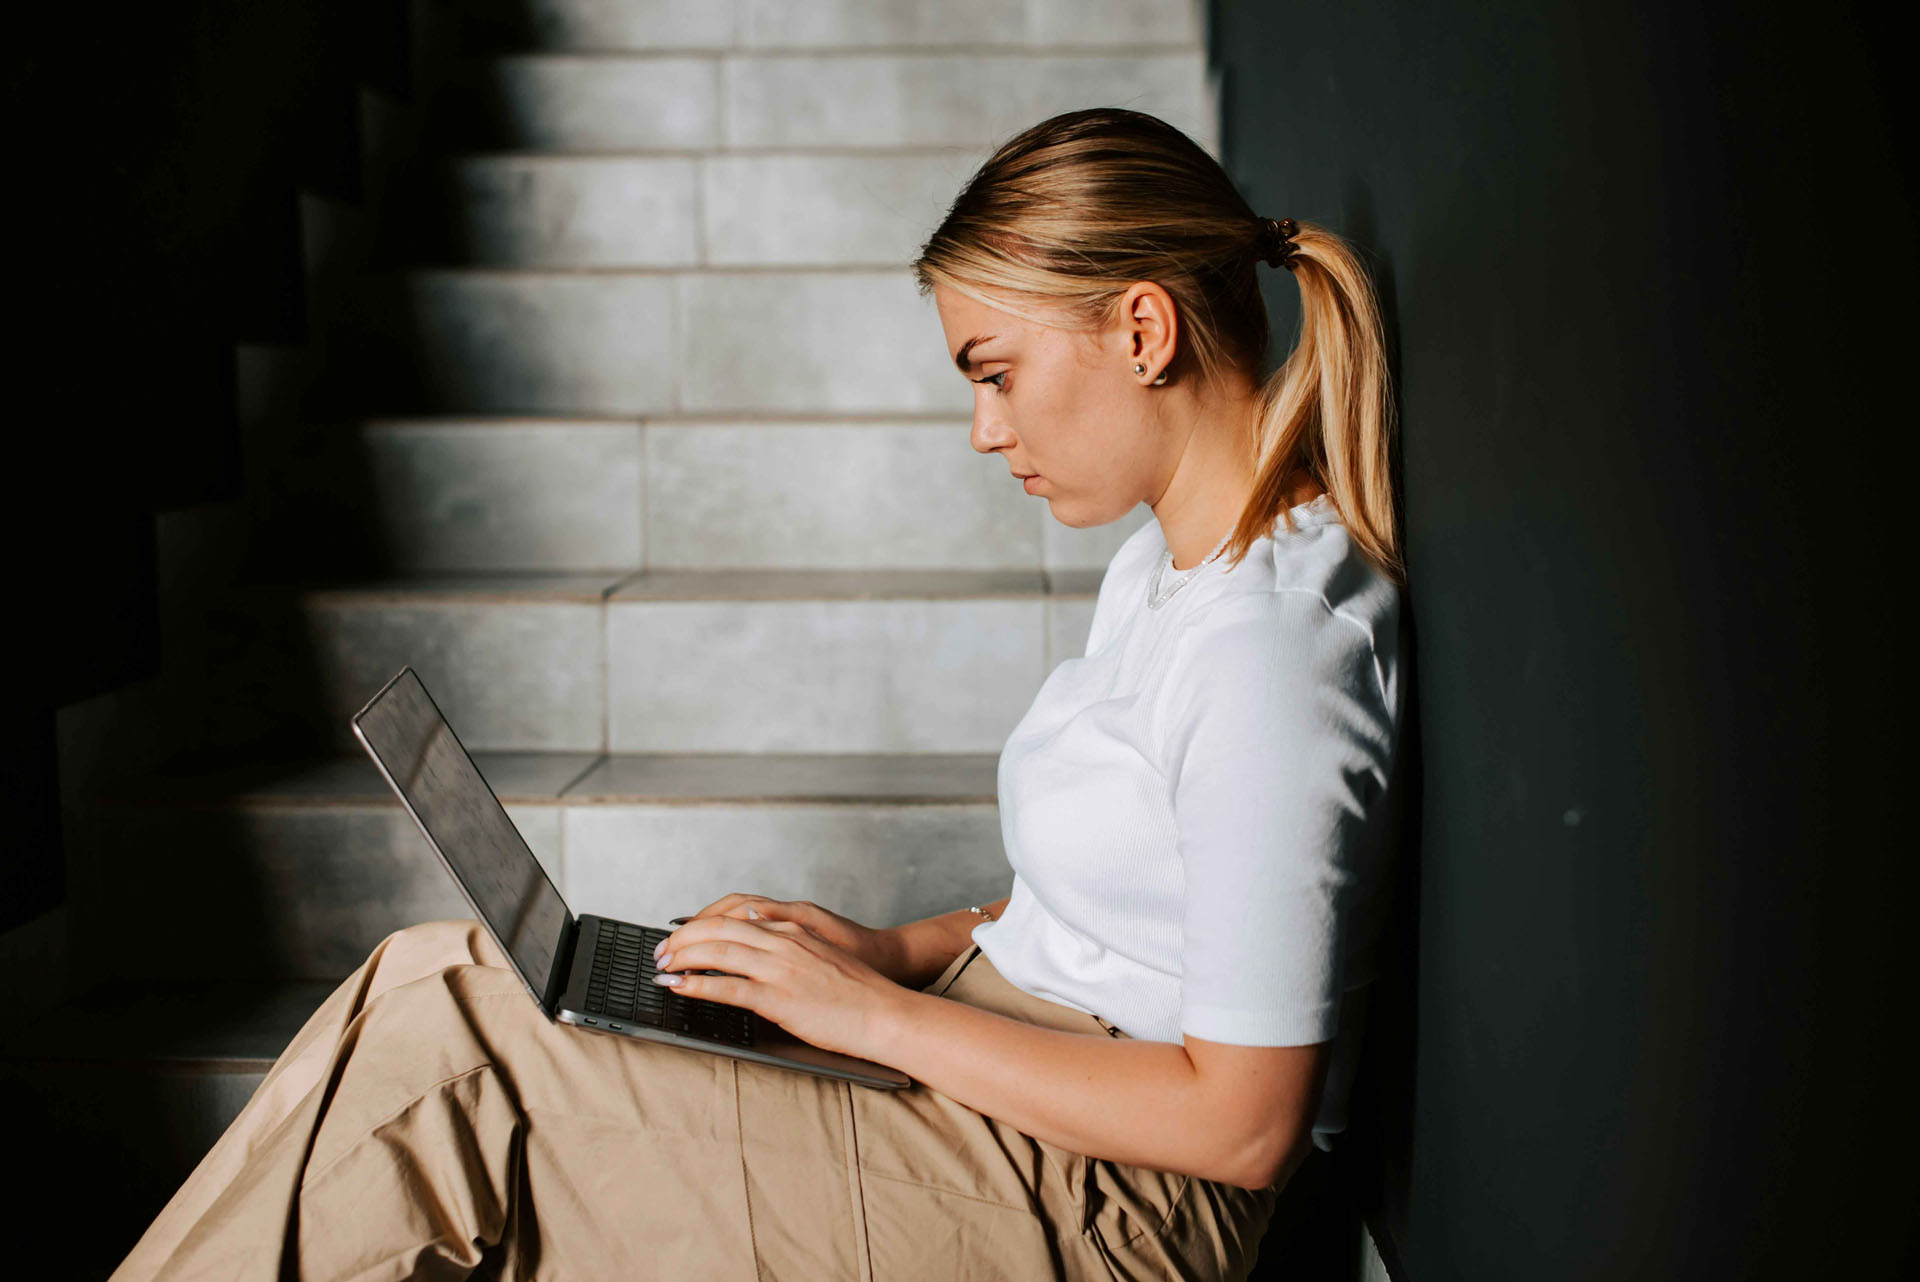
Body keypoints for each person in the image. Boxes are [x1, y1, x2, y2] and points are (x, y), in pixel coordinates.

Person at [110, 105, 1405, 1282]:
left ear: (1141, 329)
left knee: (447, 1049)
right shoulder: (1165, 571)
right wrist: (893, 948)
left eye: (993, 370)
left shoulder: (1270, 655)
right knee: (427, 981)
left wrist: (877, 1016)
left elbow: (1239, 1123)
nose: (983, 430)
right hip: (1000, 1069)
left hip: (1104, 1203)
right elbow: (1137, 898)